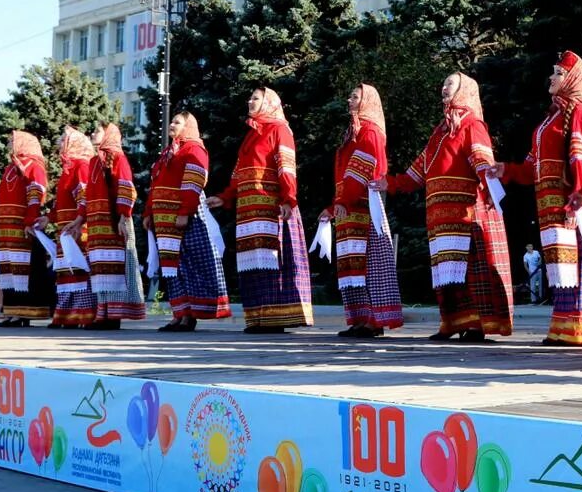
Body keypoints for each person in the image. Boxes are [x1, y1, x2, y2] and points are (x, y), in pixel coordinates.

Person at [375, 74, 513, 342]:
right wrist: (388, 183)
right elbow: (417, 173)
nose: (443, 87)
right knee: (445, 273)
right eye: (444, 83)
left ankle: (475, 325)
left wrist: (489, 182)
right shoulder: (440, 131)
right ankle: (451, 321)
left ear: (463, 90)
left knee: (469, 270)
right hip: (438, 216)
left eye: (450, 84)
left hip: (465, 212)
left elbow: (483, 161)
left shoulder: (473, 125)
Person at [495, 51, 582, 346]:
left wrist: (579, 197)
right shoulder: (550, 118)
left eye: (558, 73)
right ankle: (562, 326)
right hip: (550, 204)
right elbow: (532, 167)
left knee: (577, 263)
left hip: (571, 204)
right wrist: (506, 170)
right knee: (560, 267)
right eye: (552, 72)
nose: (551, 78)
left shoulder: (579, 114)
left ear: (573, 80)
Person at [206, 88, 313, 333]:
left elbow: (287, 168)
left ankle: (276, 318)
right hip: (248, 210)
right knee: (252, 261)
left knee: (271, 260)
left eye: (255, 98)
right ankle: (258, 317)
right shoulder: (251, 134)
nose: (250, 101)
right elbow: (238, 174)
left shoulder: (279, 129)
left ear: (269, 102)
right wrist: (224, 198)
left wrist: (288, 199)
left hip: (269, 206)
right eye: (250, 97)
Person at [322, 84, 402, 338]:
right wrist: (337, 203)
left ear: (367, 101)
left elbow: (361, 171)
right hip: (348, 204)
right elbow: (345, 174)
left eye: (355, 96)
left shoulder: (370, 132)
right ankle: (358, 319)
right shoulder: (353, 132)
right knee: (351, 264)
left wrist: (342, 202)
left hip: (363, 206)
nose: (349, 99)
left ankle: (372, 320)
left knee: (366, 263)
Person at [146, 111, 229, 332]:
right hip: (164, 221)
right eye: (171, 121)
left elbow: (194, 182)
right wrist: (148, 214)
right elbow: (154, 184)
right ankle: (178, 313)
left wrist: (184, 211)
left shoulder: (194, 149)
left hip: (186, 219)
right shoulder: (168, 152)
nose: (172, 125)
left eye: (177, 122)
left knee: (188, 266)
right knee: (172, 269)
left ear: (188, 126)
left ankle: (190, 315)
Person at [84, 124, 145, 329]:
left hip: (114, 222)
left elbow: (126, 187)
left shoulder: (118, 158)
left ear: (108, 135)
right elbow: (88, 196)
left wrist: (123, 216)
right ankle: (103, 314)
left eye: (97, 131)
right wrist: (79, 220)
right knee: (101, 269)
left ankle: (114, 316)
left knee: (115, 267)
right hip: (97, 226)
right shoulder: (94, 161)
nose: (92, 134)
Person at [0, 131, 55, 326]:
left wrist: (29, 221)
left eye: (13, 139)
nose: (10, 142)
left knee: (23, 271)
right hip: (5, 230)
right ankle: (10, 312)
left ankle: (23, 314)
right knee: (9, 271)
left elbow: (36, 194)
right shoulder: (9, 168)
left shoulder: (34, 166)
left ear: (23, 143)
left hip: (23, 228)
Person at [47, 127, 98, 329]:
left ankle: (82, 314)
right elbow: (60, 202)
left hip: (77, 228)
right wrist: (47, 218)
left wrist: (79, 221)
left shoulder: (82, 166)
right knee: (66, 270)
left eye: (63, 140)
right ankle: (66, 315)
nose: (60, 144)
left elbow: (84, 197)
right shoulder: (67, 170)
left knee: (78, 269)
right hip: (65, 229)